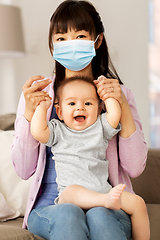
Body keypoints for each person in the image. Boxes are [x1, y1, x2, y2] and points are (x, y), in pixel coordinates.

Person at [11, 0, 148, 239]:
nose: (71, 44)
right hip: (52, 206)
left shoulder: (119, 96)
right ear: (52, 46)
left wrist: (122, 106)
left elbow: (135, 168)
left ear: (98, 40)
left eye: (81, 36)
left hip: (106, 204)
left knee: (100, 215)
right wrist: (28, 115)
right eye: (61, 38)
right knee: (68, 213)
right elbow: (23, 170)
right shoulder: (40, 96)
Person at [31, 75, 150, 240]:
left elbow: (114, 114)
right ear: (59, 111)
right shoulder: (58, 130)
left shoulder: (100, 127)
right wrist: (42, 107)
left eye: (88, 103)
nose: (80, 108)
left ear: (99, 108)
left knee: (139, 204)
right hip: (73, 195)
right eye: (72, 103)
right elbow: (37, 132)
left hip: (103, 191)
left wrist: (107, 95)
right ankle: (104, 201)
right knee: (71, 190)